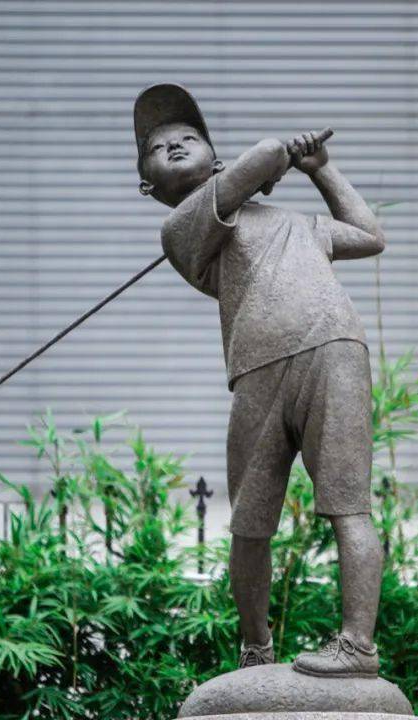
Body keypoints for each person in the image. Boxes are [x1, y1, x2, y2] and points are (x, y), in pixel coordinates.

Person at [133, 83, 386, 677]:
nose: (174, 146)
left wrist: (321, 169)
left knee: (350, 507)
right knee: (250, 522)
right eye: (158, 148)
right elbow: (267, 152)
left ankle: (358, 645)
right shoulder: (182, 228)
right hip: (259, 368)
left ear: (215, 157)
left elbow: (369, 234)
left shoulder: (293, 222)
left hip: (335, 346)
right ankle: (256, 648)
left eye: (187, 138)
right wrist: (274, 161)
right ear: (148, 185)